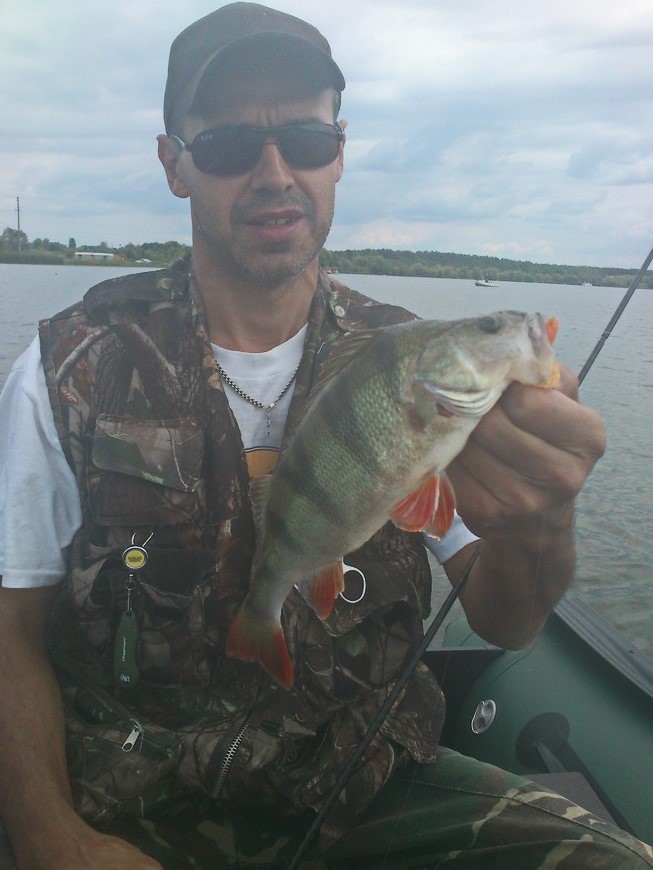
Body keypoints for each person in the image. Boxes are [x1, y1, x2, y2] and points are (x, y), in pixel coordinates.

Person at [0, 4, 650, 868]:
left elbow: (506, 619)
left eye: (305, 140)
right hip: (132, 799)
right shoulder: (69, 367)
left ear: (338, 152)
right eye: (229, 145)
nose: (274, 173)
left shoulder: (412, 360)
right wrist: (51, 838)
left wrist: (543, 517)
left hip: (370, 787)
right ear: (174, 164)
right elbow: (10, 628)